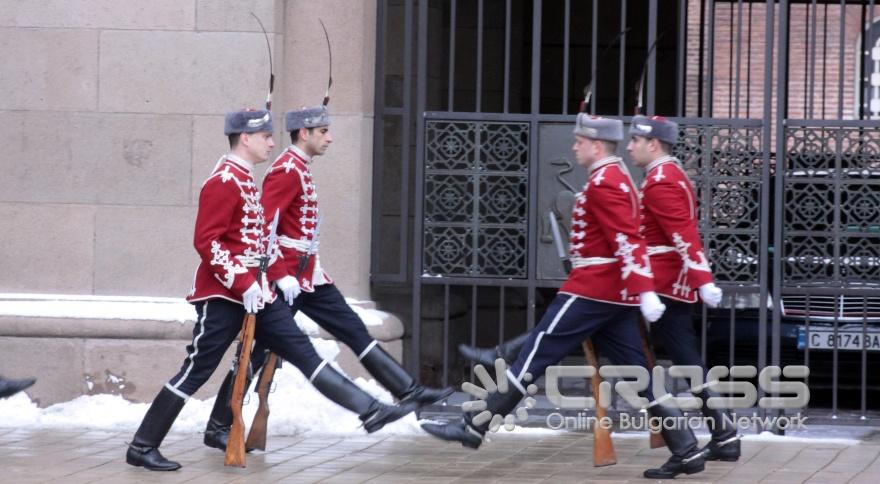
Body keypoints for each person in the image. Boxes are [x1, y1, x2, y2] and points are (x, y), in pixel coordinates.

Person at [126, 109, 414, 472]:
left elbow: (260, 239)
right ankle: (142, 444)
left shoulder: (245, 180)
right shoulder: (224, 181)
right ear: (245, 138)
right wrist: (243, 282)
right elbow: (207, 242)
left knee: (303, 351)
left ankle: (370, 410)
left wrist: (270, 279)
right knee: (197, 370)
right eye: (265, 137)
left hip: (259, 294)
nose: (273, 143)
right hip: (222, 296)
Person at [420, 114, 706, 480]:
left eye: (580, 141)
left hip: (593, 290)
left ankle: (474, 426)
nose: (574, 146)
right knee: (642, 375)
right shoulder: (613, 177)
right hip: (610, 294)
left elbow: (627, 240)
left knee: (534, 354)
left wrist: (645, 289)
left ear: (596, 145)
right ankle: (686, 450)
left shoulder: (606, 181)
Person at [202, 105, 453, 451]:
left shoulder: (300, 168)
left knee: (352, 328)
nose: (329, 137)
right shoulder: (286, 171)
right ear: (303, 133)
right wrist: (277, 275)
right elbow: (263, 229)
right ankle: (218, 424)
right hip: (286, 280)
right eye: (322, 131)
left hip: (309, 276)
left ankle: (408, 389)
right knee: (255, 355)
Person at [627, 114, 740, 462]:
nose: (630, 146)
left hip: (661, 282)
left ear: (654, 144)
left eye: (636, 140)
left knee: (684, 359)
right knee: (687, 360)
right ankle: (724, 434)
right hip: (666, 280)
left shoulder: (661, 180)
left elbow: (683, 234)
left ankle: (716, 435)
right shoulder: (667, 174)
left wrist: (703, 279)